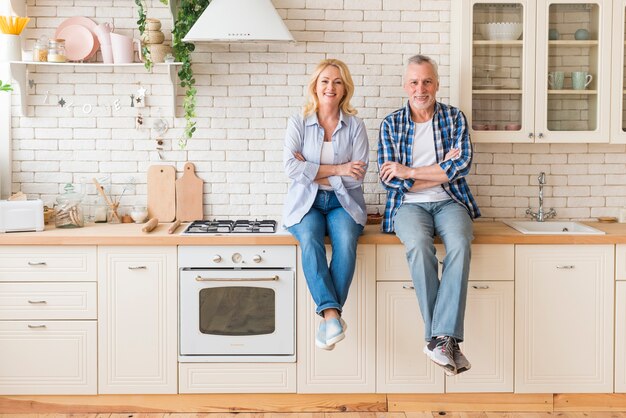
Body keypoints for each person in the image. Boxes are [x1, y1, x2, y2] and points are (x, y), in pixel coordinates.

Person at [377, 54, 480, 375]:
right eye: (414, 82)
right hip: (407, 205)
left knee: (461, 243)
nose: (420, 88)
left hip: (451, 202)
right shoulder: (391, 124)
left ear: (436, 83)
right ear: (405, 86)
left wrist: (410, 170)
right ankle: (443, 339)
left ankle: (438, 340)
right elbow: (388, 179)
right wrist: (439, 170)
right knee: (420, 246)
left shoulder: (454, 118)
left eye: (427, 81)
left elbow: (461, 166)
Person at [283, 58, 369, 351]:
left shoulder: (356, 126)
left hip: (343, 201)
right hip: (305, 203)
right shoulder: (298, 122)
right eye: (324, 81)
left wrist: (311, 167)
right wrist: (338, 169)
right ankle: (332, 316)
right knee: (310, 239)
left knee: (346, 240)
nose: (330, 87)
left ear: (345, 89)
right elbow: (290, 169)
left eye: (337, 81)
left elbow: (357, 177)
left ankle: (329, 320)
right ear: (315, 87)